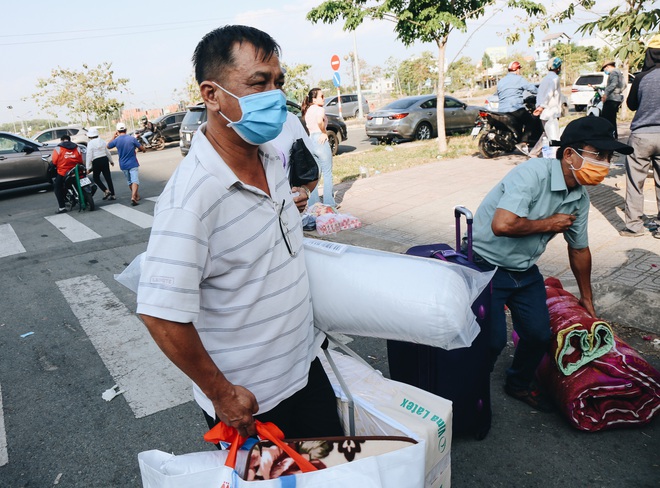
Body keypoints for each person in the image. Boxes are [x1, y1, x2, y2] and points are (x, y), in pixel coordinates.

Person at [136, 25, 343, 440]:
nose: (276, 96)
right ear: (211, 95)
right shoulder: (190, 198)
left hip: (306, 368)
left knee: (332, 472)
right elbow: (160, 315)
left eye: (278, 82)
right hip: (251, 401)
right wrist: (222, 394)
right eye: (258, 83)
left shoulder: (269, 157)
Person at [470, 116, 633, 412]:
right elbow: (502, 224)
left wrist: (586, 297)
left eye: (609, 157)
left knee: (538, 335)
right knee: (491, 341)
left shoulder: (579, 198)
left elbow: (579, 249)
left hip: (524, 270)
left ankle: (517, 383)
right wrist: (550, 223)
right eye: (599, 154)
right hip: (485, 265)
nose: (606, 164)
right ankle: (470, 392)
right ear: (570, 154)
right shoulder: (533, 174)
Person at [620, 35, 660, 238]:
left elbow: (632, 105)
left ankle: (634, 226)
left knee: (636, 182)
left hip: (641, 137)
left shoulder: (641, 78)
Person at [270, 110, 318, 213]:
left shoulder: (288, 119)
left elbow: (311, 167)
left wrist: (304, 191)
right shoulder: (231, 123)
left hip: (287, 217)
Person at [302, 88, 337, 208]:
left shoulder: (308, 111)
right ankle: (329, 203)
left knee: (315, 175)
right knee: (327, 173)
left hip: (311, 140)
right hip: (320, 140)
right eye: (321, 96)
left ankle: (313, 203)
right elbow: (319, 121)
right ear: (314, 99)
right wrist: (323, 132)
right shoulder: (320, 109)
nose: (324, 98)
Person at [495, 61, 539, 155]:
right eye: (519, 69)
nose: (519, 71)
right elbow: (532, 88)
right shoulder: (519, 79)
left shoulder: (501, 81)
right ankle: (523, 142)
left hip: (502, 109)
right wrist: (540, 92)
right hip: (515, 108)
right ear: (517, 69)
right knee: (530, 120)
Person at [529, 57, 563, 158]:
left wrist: (540, 107)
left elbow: (541, 95)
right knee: (554, 137)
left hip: (545, 112)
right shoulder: (554, 79)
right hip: (550, 112)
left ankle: (534, 153)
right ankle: (554, 159)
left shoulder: (546, 78)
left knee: (546, 134)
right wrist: (542, 107)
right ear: (558, 67)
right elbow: (549, 94)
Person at [107, 122, 145, 206]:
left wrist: (114, 136)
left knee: (129, 181)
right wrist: (144, 150)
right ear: (126, 129)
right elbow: (141, 148)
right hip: (133, 163)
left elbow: (108, 146)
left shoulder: (116, 140)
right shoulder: (131, 139)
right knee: (135, 180)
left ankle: (136, 196)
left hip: (123, 165)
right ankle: (133, 197)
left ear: (117, 131)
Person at [51, 134, 83, 214]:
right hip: (76, 171)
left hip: (63, 172)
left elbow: (54, 161)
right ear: (69, 140)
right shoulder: (77, 147)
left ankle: (62, 207)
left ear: (61, 140)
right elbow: (80, 160)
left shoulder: (58, 148)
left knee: (57, 187)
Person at [85, 128, 116, 201]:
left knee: (96, 178)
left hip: (96, 161)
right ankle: (113, 194)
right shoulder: (102, 141)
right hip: (104, 159)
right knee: (108, 177)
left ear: (90, 136)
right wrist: (111, 161)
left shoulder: (90, 143)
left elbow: (89, 155)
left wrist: (88, 167)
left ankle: (106, 190)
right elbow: (107, 152)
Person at [599, 61, 626, 138]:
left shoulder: (613, 73)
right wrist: (619, 91)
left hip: (612, 99)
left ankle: (609, 136)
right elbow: (624, 85)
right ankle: (614, 135)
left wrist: (606, 94)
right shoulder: (619, 73)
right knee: (612, 119)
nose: (605, 71)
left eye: (605, 69)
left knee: (606, 119)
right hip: (616, 98)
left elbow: (613, 84)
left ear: (607, 67)